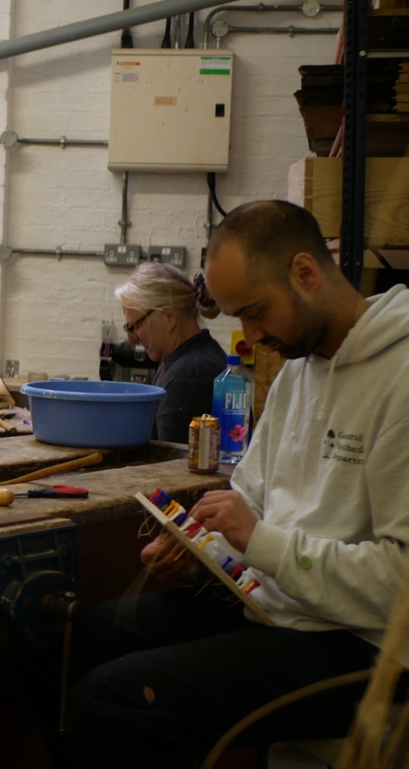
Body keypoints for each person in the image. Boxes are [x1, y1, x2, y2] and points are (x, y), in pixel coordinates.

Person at [58, 200, 409, 767]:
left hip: (366, 647)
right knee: (72, 634)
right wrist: (203, 548)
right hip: (280, 606)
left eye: (255, 312)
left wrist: (259, 541)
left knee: (112, 702)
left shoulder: (401, 375)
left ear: (305, 273)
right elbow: (251, 495)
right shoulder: (298, 368)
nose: (250, 336)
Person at [114, 261, 226, 443]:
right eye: (129, 328)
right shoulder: (184, 359)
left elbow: (170, 459)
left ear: (169, 317)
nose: (131, 338)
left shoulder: (189, 376)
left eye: (135, 326)